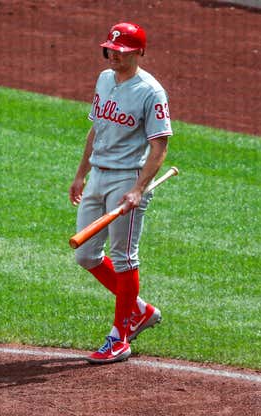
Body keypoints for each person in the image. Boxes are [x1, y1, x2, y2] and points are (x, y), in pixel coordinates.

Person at [68, 22, 172, 364]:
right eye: (110, 49)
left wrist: (138, 189)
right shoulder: (103, 79)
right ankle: (139, 310)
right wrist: (81, 174)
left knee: (126, 257)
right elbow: (96, 128)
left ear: (139, 52)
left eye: (122, 51)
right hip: (98, 174)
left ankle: (120, 337)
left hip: (127, 179)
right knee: (85, 254)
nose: (114, 55)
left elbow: (159, 147)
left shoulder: (151, 91)